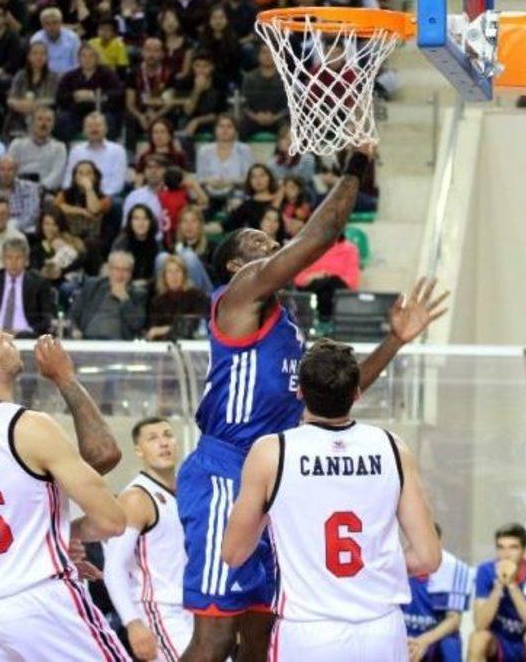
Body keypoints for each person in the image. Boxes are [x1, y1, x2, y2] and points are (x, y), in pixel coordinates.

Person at [176, 143, 446, 662]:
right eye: (259, 241)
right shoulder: (239, 297)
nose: (273, 244)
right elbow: (319, 236)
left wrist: (396, 340)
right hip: (224, 473)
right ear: (236, 264)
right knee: (213, 640)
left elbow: (339, 391)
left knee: (262, 635)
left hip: (276, 476)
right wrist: (354, 168)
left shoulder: (290, 329)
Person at [222, 338, 442, 662]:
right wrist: (374, 569)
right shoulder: (392, 447)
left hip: (309, 631)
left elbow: (233, 552)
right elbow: (428, 558)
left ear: (299, 391)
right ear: (356, 393)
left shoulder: (272, 451)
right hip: (382, 629)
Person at [0, 314, 126, 659]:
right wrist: (55, 542)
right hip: (44, 602)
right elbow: (112, 521)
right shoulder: (29, 426)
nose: (11, 336)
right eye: (1, 338)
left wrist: (32, 544)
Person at [104, 416, 194, 660]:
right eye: (153, 439)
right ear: (138, 450)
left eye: (168, 435)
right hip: (158, 610)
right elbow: (113, 567)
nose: (163, 443)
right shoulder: (136, 497)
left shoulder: (189, 490)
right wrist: (132, 623)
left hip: (193, 607)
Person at [469, 523, 526, 662]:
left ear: (524, 551)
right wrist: (500, 584)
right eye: (501, 548)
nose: (506, 554)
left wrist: (512, 584)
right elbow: (480, 624)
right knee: (478, 638)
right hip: (499, 641)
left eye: (513, 548)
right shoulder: (486, 570)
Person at [402, 524, 472, 662]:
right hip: (404, 634)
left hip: (435, 637)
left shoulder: (455, 569)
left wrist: (423, 641)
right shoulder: (394, 565)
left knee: (450, 643)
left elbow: (453, 621)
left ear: (437, 544)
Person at [0, 236, 55, 337]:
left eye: (19, 258)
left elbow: (47, 318)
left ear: (26, 260)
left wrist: (25, 332)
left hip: (26, 336)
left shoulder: (39, 282)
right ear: (3, 259)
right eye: (9, 257)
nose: (13, 263)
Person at [70, 249, 148, 341]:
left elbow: (137, 324)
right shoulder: (93, 286)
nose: (120, 274)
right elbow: (73, 314)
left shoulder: (138, 294)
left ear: (131, 273)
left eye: (125, 270)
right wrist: (74, 330)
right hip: (88, 340)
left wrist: (124, 298)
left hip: (118, 345)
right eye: (116, 269)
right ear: (109, 270)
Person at [64, 111, 127, 197]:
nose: (94, 129)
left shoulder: (118, 150)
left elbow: (118, 183)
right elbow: (68, 178)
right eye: (90, 126)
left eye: (98, 125)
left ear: (106, 129)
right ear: (84, 130)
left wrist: (97, 197)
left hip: (107, 197)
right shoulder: (76, 150)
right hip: (79, 195)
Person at [147, 255, 209, 340]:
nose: (174, 276)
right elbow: (152, 331)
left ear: (184, 274)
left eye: (178, 271)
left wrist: (165, 329)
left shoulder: (197, 297)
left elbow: (191, 326)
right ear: (164, 276)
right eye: (169, 272)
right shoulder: (157, 301)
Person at [8, 106, 68, 193]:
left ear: (53, 125)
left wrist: (39, 188)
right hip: (18, 189)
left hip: (46, 191)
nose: (44, 124)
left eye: (48, 120)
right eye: (40, 119)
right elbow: (9, 169)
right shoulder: (17, 144)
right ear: (32, 123)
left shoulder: (59, 148)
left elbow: (57, 175)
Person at [0, 153, 41, 236]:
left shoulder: (29, 188)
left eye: (10, 169)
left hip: (23, 232)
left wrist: (10, 228)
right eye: (2, 169)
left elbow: (31, 215)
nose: (6, 173)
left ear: (16, 171)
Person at [239, 44, 288, 140]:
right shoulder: (249, 78)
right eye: (264, 52)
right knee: (241, 126)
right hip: (253, 119)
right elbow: (244, 105)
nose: (268, 56)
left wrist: (274, 117)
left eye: (272, 53)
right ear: (258, 55)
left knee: (290, 128)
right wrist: (256, 117)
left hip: (278, 119)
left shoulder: (286, 79)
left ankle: (283, 154)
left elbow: (289, 107)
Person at [31, 8, 81, 76]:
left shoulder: (73, 37)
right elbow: (35, 64)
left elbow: (77, 63)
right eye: (47, 23)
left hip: (69, 78)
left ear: (61, 23)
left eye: (55, 22)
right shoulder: (36, 39)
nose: (51, 27)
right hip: (45, 78)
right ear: (42, 25)